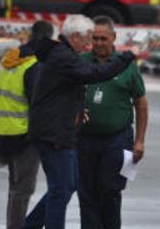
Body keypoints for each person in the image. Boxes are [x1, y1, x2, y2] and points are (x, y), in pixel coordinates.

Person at [23, 15, 136, 229]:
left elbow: (63, 91)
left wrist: (77, 109)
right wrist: (128, 56)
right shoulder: (63, 57)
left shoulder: (63, 54)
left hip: (58, 132)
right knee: (61, 191)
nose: (90, 44)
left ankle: (30, 225)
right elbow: (94, 73)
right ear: (74, 37)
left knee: (68, 184)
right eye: (88, 38)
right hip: (54, 135)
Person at [77, 16, 149, 229]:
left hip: (117, 139)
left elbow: (141, 104)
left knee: (109, 189)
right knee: (86, 192)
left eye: (103, 39)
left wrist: (140, 141)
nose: (98, 43)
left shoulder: (127, 65)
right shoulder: (81, 62)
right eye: (95, 38)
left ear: (114, 38)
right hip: (84, 139)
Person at [0, 20, 54, 229]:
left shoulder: (11, 61)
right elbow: (39, 103)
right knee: (23, 189)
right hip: (25, 136)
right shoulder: (33, 66)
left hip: (5, 132)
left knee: (15, 188)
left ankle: (12, 226)